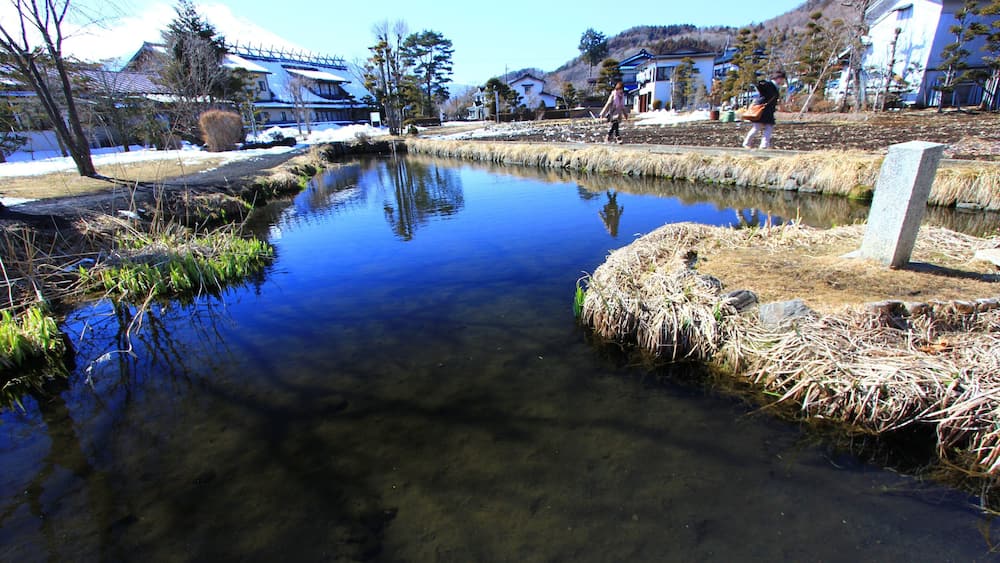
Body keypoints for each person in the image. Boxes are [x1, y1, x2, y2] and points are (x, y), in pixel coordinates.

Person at [742, 70, 787, 149]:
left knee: (767, 127)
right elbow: (760, 86)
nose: (782, 81)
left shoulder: (775, 86)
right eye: (782, 79)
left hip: (768, 111)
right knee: (758, 127)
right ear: (779, 78)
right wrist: (759, 80)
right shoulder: (769, 84)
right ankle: (748, 143)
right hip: (763, 110)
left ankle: (763, 145)